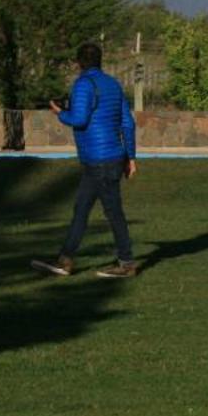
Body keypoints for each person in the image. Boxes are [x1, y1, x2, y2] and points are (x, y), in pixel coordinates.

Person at [30, 41, 138, 279]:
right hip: (111, 157)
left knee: (113, 212)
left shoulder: (82, 85)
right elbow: (128, 123)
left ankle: (127, 262)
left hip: (98, 159)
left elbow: (78, 119)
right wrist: (130, 157)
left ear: (78, 63)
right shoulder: (113, 84)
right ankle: (65, 260)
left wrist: (60, 113)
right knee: (81, 208)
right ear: (100, 60)